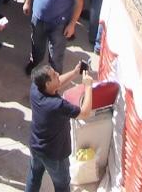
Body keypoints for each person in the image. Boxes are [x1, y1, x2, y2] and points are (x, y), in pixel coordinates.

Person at [25, 61, 99, 192]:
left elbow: (56, 84)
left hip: (36, 147)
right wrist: (88, 87)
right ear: (47, 83)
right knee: (62, 185)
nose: (58, 74)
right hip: (54, 155)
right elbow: (85, 112)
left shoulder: (35, 88)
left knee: (34, 177)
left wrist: (75, 72)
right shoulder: (57, 105)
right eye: (54, 75)